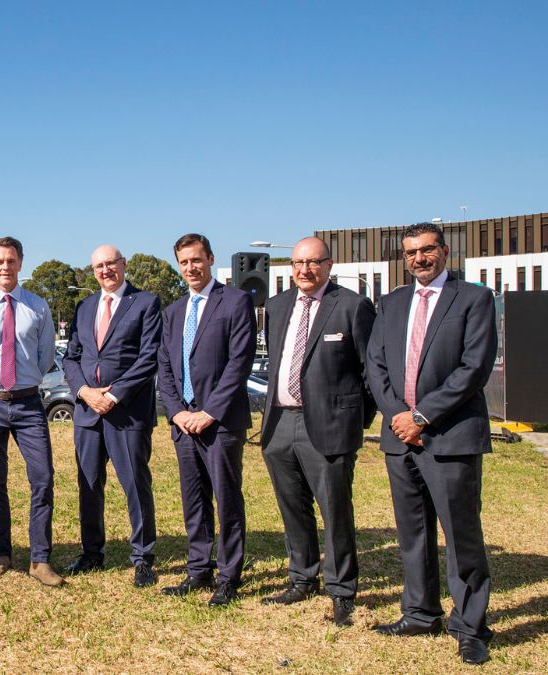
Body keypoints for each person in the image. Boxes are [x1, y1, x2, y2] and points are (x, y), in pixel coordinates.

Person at [365, 222, 497, 666]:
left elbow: (474, 368)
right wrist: (398, 415)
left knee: (461, 535)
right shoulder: (393, 302)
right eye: (410, 253)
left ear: (444, 251)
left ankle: (470, 625)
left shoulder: (474, 299)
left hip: (450, 436)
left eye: (426, 250)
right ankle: (420, 612)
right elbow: (375, 364)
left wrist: (423, 415)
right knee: (412, 533)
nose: (418, 259)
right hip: (400, 438)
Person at [259, 236, 376, 627]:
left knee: (335, 510)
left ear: (329, 265)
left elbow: (369, 372)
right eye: (297, 263)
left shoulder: (353, 306)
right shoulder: (276, 307)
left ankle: (342, 589)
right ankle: (301, 576)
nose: (304, 270)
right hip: (279, 423)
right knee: (292, 505)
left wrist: (354, 420)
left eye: (313, 262)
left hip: (329, 425)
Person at [156, 233, 255, 607]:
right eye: (183, 262)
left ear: (210, 259)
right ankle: (198, 569)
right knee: (193, 500)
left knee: (227, 498)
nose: (191, 268)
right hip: (183, 424)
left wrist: (209, 412)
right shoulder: (174, 311)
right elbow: (164, 367)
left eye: (196, 260)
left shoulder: (235, 301)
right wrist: (178, 412)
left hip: (221, 422)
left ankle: (229, 576)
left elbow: (239, 363)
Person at [61, 245, 163, 588]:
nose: (105, 271)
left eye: (111, 264)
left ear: (124, 265)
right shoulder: (85, 306)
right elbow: (71, 358)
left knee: (135, 484)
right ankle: (92, 553)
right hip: (87, 413)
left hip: (127, 413)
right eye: (98, 266)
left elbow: (149, 358)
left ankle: (143, 559)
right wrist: (85, 393)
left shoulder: (146, 303)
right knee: (89, 485)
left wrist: (115, 395)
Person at [0, 236, 62, 587]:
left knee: (43, 478)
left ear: (21, 263)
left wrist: (25, 381)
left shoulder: (38, 307)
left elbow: (46, 356)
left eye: (11, 260)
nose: (5, 266)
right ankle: (2, 554)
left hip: (29, 404)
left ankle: (40, 559)